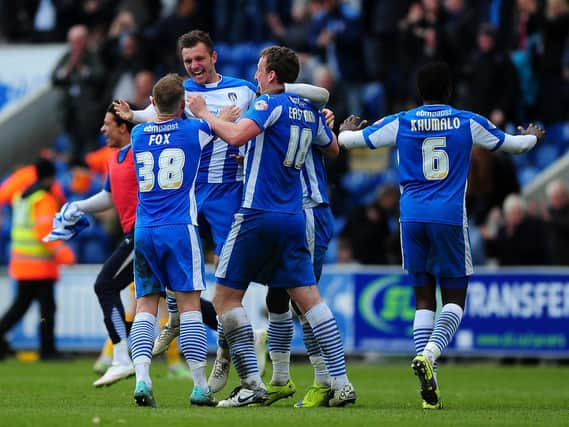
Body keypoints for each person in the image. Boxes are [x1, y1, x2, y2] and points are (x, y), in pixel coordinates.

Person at [115, 29, 330, 392]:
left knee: (226, 280)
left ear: (214, 57)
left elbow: (262, 120)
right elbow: (154, 114)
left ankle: (224, 358)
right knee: (179, 260)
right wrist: (133, 112)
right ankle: (176, 322)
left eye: (199, 59)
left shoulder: (244, 89)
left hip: (228, 190)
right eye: (187, 62)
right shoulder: (181, 92)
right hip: (187, 192)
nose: (194, 66)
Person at [337, 61, 545, 410]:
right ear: (449, 91)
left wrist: (344, 129)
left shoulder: (402, 121)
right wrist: (533, 137)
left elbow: (352, 141)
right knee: (455, 299)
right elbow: (515, 145)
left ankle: (427, 376)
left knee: (422, 300)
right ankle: (430, 357)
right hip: (448, 217)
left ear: (420, 92)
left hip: (411, 217)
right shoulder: (466, 120)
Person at [188, 45, 356, 408]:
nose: (255, 76)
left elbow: (234, 136)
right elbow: (333, 150)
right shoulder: (308, 111)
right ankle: (341, 381)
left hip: (257, 215)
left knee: (224, 298)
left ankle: (250, 381)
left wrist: (205, 114)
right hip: (295, 217)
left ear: (273, 76)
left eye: (260, 70)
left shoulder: (268, 104)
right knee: (309, 300)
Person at [129, 73, 216, 408]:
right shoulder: (193, 130)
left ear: (152, 104)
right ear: (183, 104)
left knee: (145, 306)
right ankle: (199, 386)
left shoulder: (137, 134)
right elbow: (217, 124)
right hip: (179, 227)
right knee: (190, 305)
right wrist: (208, 112)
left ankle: (142, 380)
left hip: (144, 229)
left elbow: (156, 120)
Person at [58, 103, 137, 387]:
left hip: (144, 233)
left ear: (123, 126)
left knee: (105, 285)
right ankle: (237, 334)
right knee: (176, 298)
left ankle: (120, 358)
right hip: (136, 233)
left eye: (107, 123)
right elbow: (108, 195)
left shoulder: (142, 152)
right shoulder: (113, 157)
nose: (102, 129)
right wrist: (77, 206)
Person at [0, 159, 76, 360]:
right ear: (51, 177)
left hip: (22, 263)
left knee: (20, 307)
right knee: (46, 309)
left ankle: (4, 339)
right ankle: (48, 350)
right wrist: (64, 253)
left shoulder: (22, 197)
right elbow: (44, 231)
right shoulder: (44, 199)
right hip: (40, 266)